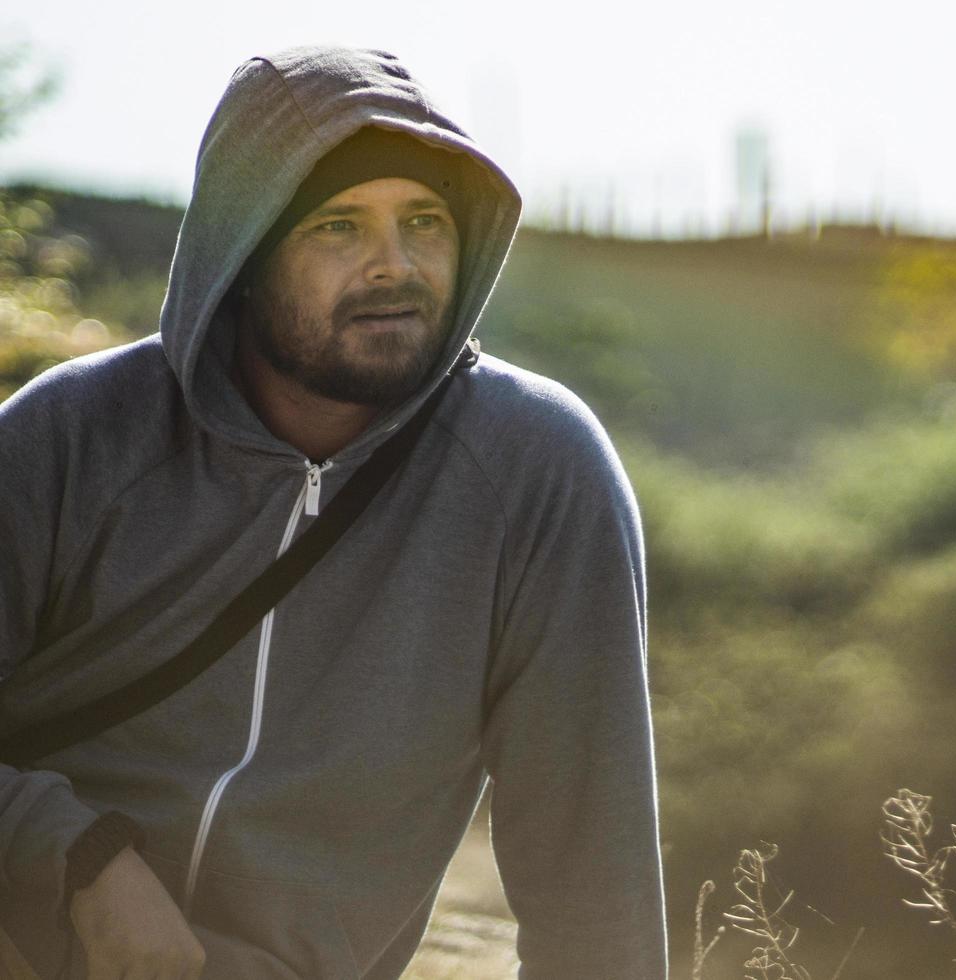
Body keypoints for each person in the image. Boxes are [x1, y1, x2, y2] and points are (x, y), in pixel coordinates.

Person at [0, 44, 667, 979]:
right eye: (339, 227)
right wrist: (78, 857)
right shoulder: (71, 436)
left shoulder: (536, 473)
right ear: (245, 247)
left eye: (425, 221)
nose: (393, 267)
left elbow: (594, 887)